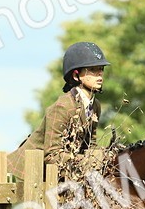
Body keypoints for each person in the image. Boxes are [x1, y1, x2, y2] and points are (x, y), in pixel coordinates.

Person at [7, 41, 108, 178]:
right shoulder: (62, 107)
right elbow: (52, 155)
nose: (99, 74)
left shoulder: (95, 105)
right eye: (93, 69)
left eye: (101, 68)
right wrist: (90, 161)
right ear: (76, 75)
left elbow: (90, 145)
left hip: (60, 172)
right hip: (30, 173)